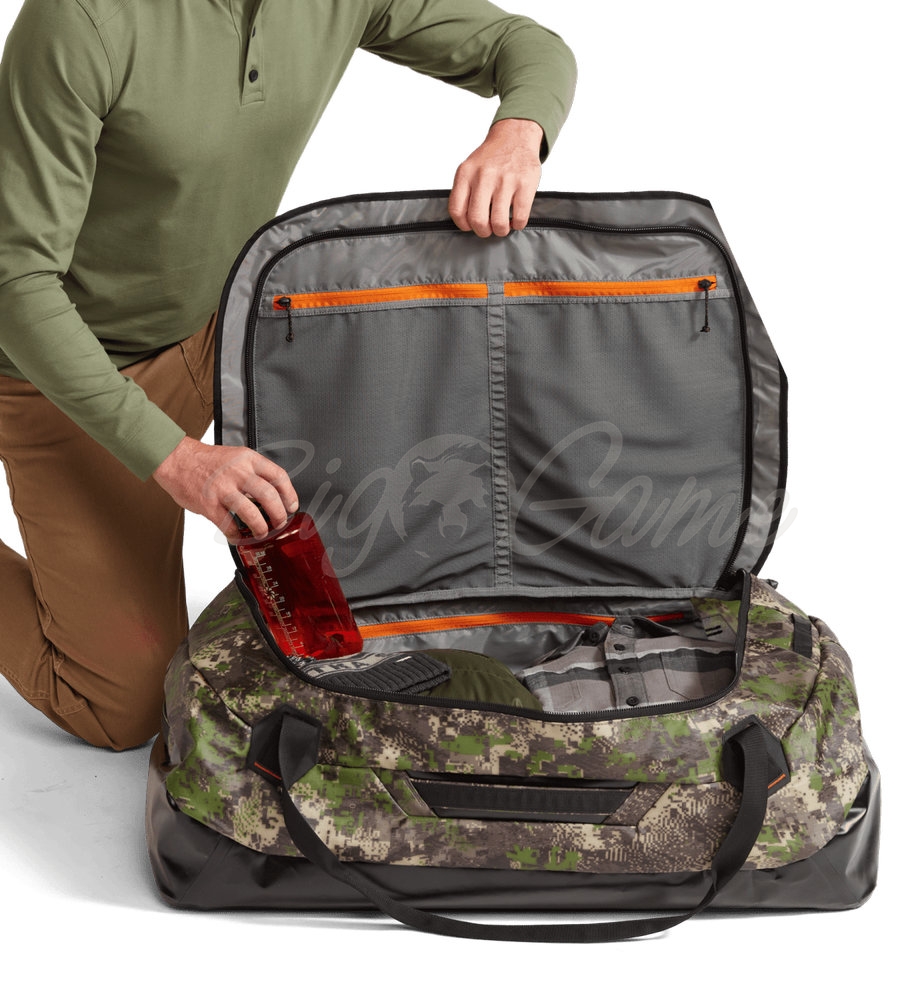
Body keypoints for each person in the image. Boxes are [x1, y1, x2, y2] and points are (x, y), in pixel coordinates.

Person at [0, 0, 576, 750]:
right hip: (54, 369)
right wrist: (178, 459)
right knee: (125, 708)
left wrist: (518, 133)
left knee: (391, 514)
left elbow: (524, 44)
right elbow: (16, 284)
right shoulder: (82, 20)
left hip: (216, 328)